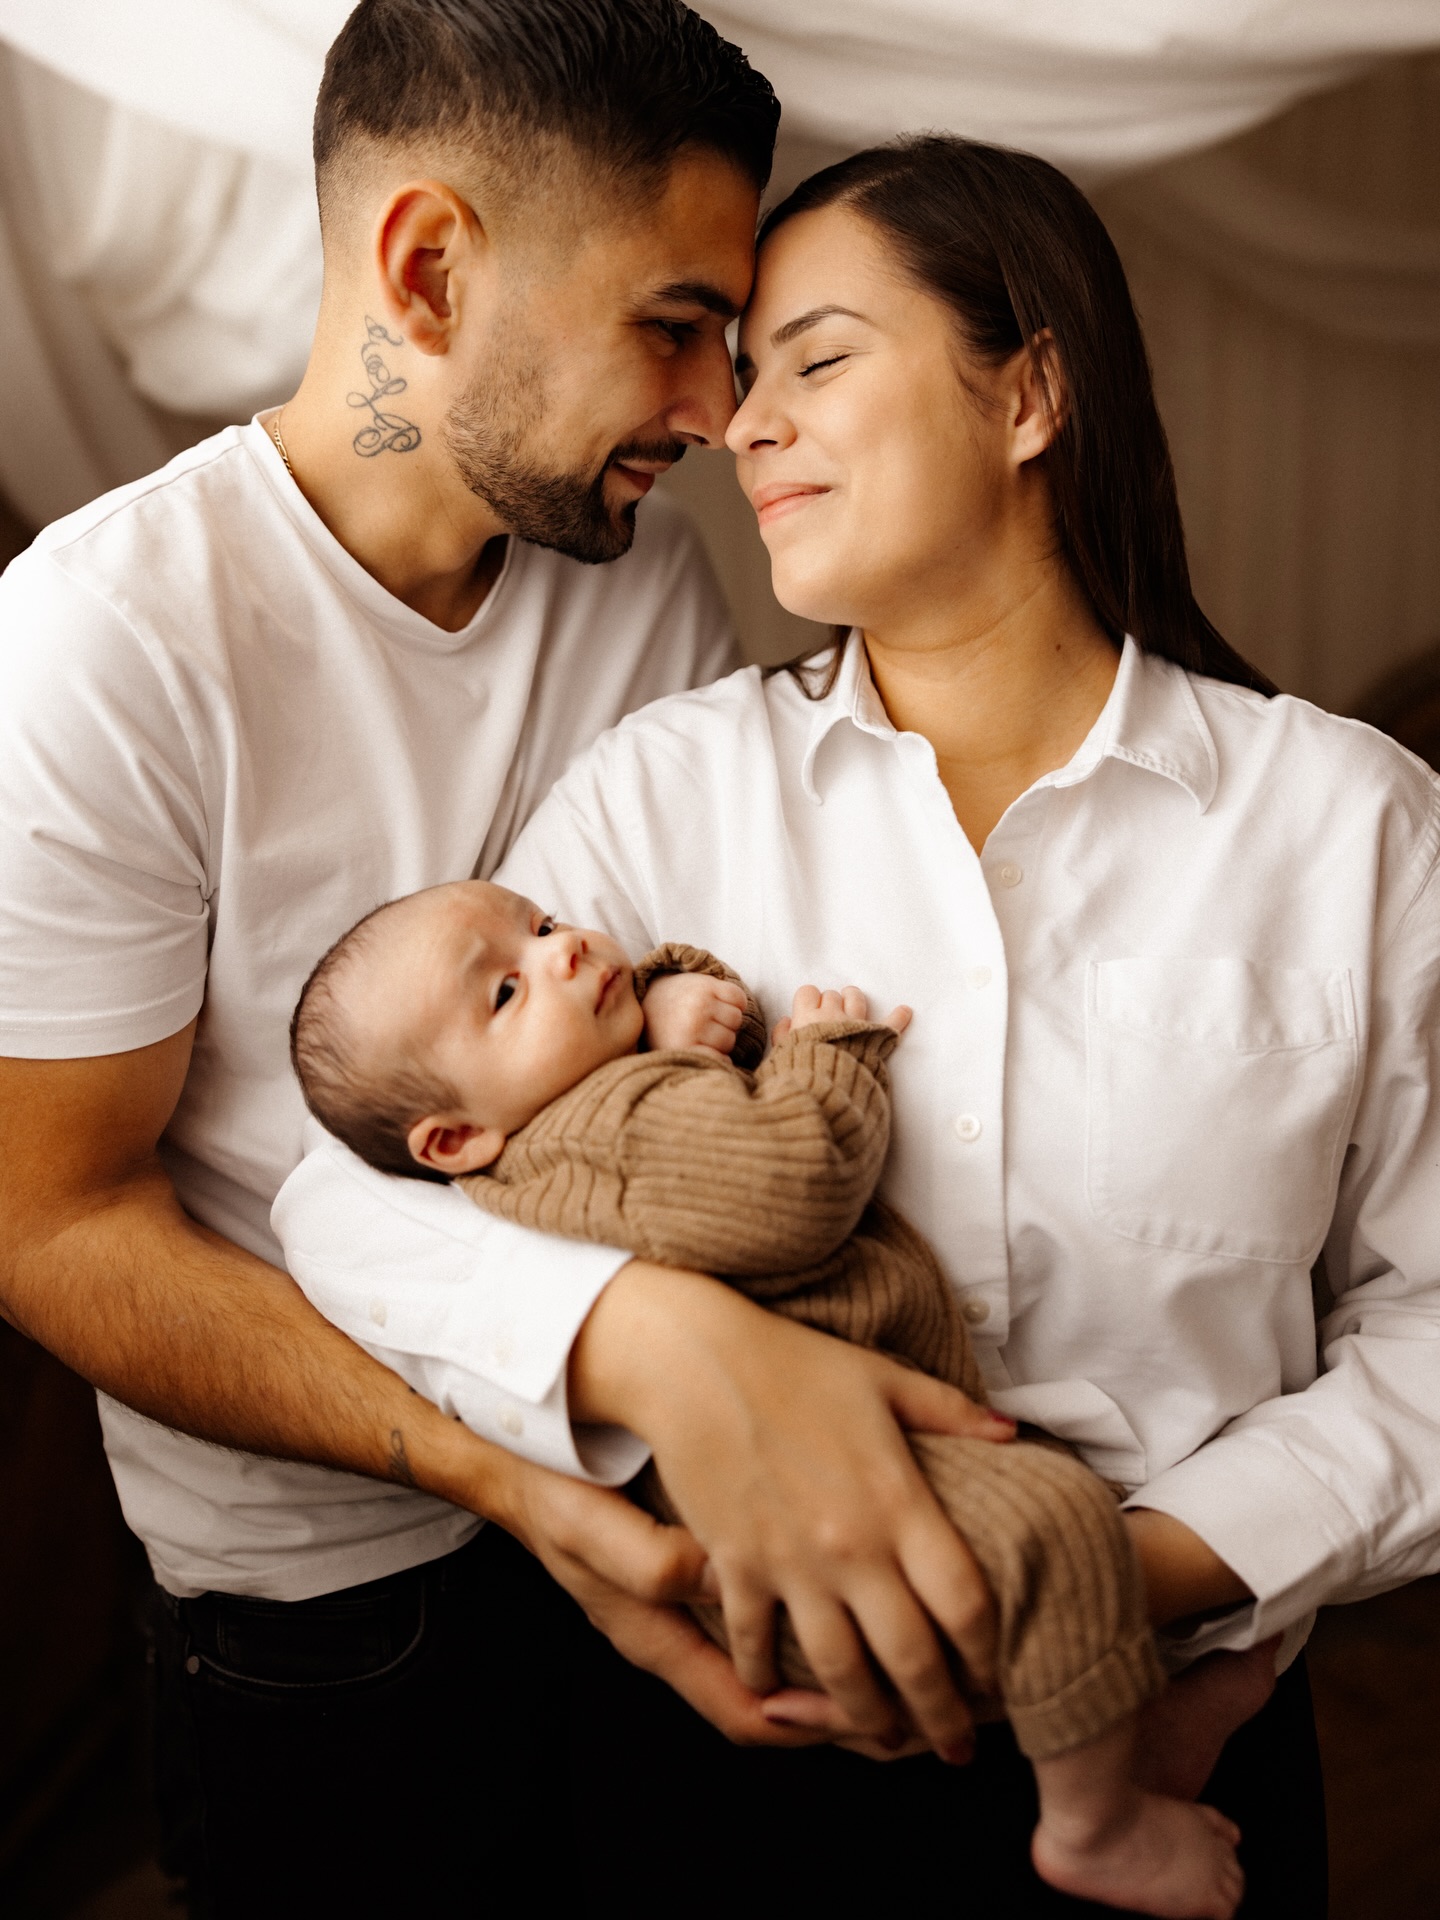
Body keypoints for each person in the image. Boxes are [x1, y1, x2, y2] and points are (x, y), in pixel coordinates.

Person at [276, 135, 1440, 1912]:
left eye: (813, 360)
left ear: (1031, 390)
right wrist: (666, 1349)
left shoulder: (1355, 826)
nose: (740, 427)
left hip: (1177, 1749)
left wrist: (1121, 1583)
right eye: (745, 381)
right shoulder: (665, 793)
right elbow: (349, 1194)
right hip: (726, 1738)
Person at [0, 3, 916, 1913]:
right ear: (426, 269)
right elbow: (49, 1227)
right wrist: (518, 1469)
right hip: (336, 1621)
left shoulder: (638, 562)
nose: (717, 411)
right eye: (675, 326)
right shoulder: (104, 644)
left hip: (676, 1495)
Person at [289, 875, 1252, 1916]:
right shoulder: (610, 1119)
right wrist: (826, 1059)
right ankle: (1094, 1828)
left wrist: (663, 1002)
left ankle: (1126, 1725)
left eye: (543, 923)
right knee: (1059, 1527)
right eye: (506, 994)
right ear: (452, 1140)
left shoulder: (563, 1126)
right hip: (819, 1507)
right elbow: (789, 1187)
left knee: (1053, 1551)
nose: (560, 953)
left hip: (826, 1481)